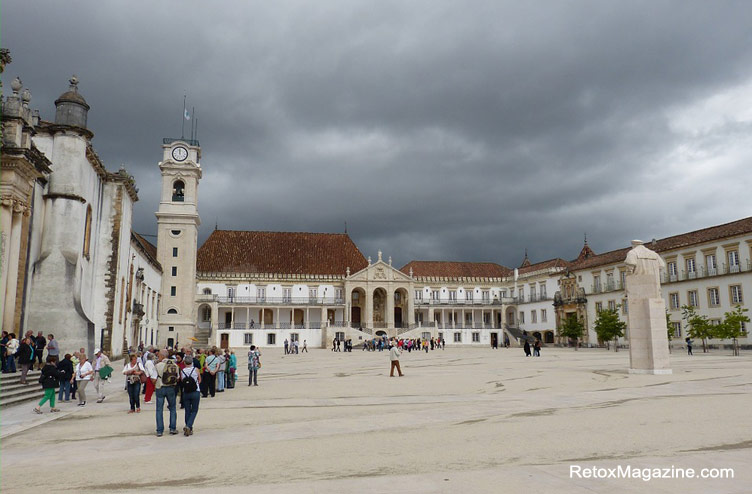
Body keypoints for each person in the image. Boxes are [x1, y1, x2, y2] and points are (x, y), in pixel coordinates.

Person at [155, 349, 179, 436]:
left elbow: (154, 378)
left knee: (159, 409)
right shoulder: (174, 365)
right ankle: (172, 428)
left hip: (160, 387)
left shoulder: (158, 365)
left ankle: (160, 430)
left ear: (161, 356)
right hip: (171, 388)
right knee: (172, 408)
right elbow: (178, 377)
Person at [181, 356, 201, 436]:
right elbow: (199, 379)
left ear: (185, 363)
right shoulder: (196, 370)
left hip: (186, 392)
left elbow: (182, 380)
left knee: (187, 410)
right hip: (195, 391)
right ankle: (188, 426)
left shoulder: (182, 371)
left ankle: (189, 428)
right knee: (194, 410)